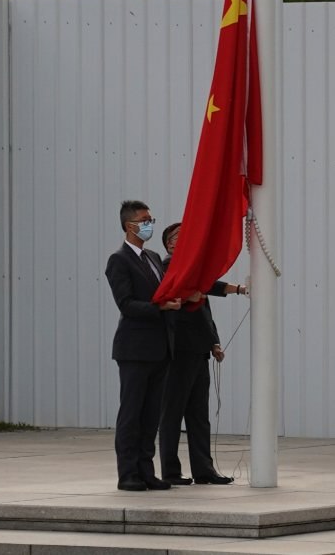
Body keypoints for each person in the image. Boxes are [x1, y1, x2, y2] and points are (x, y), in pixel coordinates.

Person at [156, 222, 246, 486]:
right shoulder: (169, 265)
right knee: (172, 413)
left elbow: (204, 309)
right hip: (178, 351)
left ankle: (204, 470)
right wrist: (230, 289)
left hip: (198, 351)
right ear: (171, 243)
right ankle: (171, 471)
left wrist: (214, 342)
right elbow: (193, 293)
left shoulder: (193, 269)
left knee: (198, 415)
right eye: (181, 236)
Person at [104, 200, 183, 492]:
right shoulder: (119, 260)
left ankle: (147, 471)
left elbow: (162, 292)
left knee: (151, 415)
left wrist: (175, 301)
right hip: (135, 349)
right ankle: (128, 473)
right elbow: (126, 304)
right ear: (129, 226)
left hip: (160, 347)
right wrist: (159, 307)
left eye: (151, 218)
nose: (150, 224)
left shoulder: (151, 256)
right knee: (132, 413)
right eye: (144, 220)